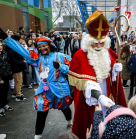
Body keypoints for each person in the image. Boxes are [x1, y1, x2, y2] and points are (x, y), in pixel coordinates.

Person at [0, 28, 73, 139]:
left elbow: (73, 70)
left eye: (44, 46)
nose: (42, 48)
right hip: (44, 90)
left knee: (64, 108)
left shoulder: (61, 56)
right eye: (39, 47)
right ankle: (37, 136)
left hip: (60, 89)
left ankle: (69, 121)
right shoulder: (37, 57)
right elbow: (20, 49)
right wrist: (6, 38)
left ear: (50, 45)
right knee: (41, 111)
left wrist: (61, 67)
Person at [68, 11, 127, 139]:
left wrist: (115, 70)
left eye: (101, 42)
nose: (99, 46)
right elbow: (81, 82)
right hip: (89, 96)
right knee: (93, 119)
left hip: (107, 89)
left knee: (108, 114)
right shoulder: (79, 55)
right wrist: (98, 96)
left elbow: (113, 65)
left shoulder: (108, 51)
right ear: (89, 42)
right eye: (95, 43)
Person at [6, 35, 28, 101]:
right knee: (18, 82)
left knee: (17, 81)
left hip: (16, 67)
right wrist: (23, 62)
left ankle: (15, 93)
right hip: (16, 68)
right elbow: (14, 61)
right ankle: (18, 96)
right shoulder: (12, 50)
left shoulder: (11, 48)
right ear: (17, 41)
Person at [0, 41, 13, 116]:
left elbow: (8, 65)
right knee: (0, 92)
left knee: (5, 91)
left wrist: (10, 74)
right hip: (1, 77)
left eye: (1, 45)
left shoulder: (4, 54)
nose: (1, 47)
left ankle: (5, 104)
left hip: (6, 76)